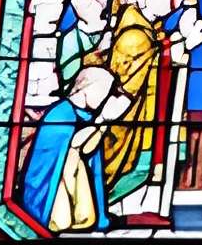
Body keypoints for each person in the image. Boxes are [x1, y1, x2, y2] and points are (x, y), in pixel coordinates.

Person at [100, 0, 202, 226]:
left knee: (147, 160)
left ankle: (139, 207)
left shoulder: (146, 29)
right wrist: (182, 45)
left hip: (147, 113)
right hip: (132, 119)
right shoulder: (134, 36)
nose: (170, 4)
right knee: (135, 162)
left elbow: (158, 51)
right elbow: (134, 80)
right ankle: (125, 206)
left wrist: (179, 39)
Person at [18, 63, 130, 233]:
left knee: (87, 220)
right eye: (104, 91)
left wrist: (104, 123)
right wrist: (102, 119)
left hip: (74, 178)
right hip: (49, 184)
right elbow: (73, 146)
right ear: (89, 88)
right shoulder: (60, 113)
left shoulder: (87, 115)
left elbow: (86, 151)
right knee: (60, 223)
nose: (106, 97)